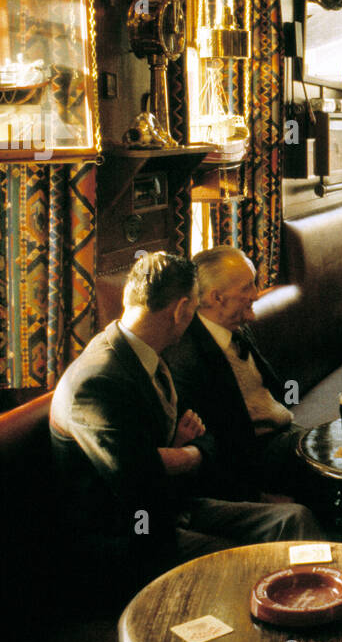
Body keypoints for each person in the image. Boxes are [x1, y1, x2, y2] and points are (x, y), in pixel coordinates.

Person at [50, 252, 320, 597]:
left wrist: (173, 453)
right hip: (131, 533)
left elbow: (203, 439)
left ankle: (316, 607)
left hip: (176, 504)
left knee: (293, 518)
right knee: (251, 564)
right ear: (180, 310)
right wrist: (186, 455)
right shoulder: (97, 380)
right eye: (193, 309)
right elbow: (138, 480)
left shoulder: (147, 354)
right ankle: (288, 621)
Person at [164, 246, 306, 501]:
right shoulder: (187, 355)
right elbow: (217, 445)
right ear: (217, 298)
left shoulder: (236, 326)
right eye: (247, 287)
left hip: (285, 433)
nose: (255, 294)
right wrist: (257, 496)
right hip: (258, 455)